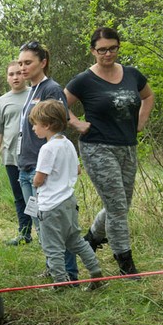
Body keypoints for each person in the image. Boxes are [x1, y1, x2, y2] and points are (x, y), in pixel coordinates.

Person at [65, 27, 155, 277]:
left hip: (127, 147)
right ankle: (124, 262)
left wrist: (141, 122)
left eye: (112, 48)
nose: (107, 53)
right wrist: (75, 122)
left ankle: (92, 238)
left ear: (118, 47)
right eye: (102, 49)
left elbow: (148, 96)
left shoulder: (132, 74)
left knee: (121, 205)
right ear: (93, 51)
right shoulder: (84, 79)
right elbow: (58, 101)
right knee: (117, 207)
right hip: (97, 147)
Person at [16, 41, 78, 281]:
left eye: (28, 62)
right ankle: (54, 267)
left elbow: (58, 128)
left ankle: (68, 273)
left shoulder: (51, 89)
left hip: (40, 170)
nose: (23, 67)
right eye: (20, 63)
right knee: (39, 223)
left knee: (54, 226)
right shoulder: (31, 89)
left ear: (43, 62)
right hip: (25, 164)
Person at [30, 100, 105, 291]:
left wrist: (34, 181)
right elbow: (78, 170)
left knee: (52, 247)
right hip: (69, 201)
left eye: (35, 124)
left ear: (47, 125)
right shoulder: (68, 144)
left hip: (51, 206)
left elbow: (40, 178)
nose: (33, 128)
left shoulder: (47, 149)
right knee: (75, 240)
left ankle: (61, 284)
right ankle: (96, 272)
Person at [0, 61, 32, 244]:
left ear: (25, 74)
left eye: (18, 73)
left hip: (32, 157)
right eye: (11, 74)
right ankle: (24, 234)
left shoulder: (35, 95)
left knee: (35, 198)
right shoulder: (2, 101)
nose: (15, 77)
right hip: (11, 158)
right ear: (7, 77)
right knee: (19, 197)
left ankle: (43, 233)